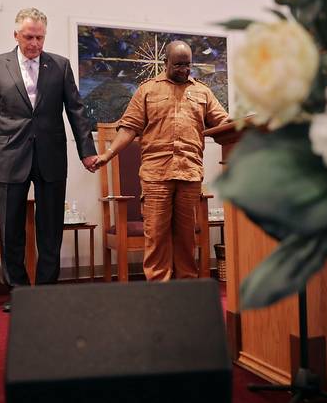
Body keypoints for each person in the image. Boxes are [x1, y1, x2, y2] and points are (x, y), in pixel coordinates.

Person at [0, 7, 97, 311]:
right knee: (10, 227)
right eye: (28, 37)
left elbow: (76, 111)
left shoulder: (60, 66)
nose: (34, 43)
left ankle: (47, 290)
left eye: (39, 37)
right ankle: (19, 290)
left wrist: (87, 152)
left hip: (51, 155)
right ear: (16, 35)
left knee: (50, 226)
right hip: (11, 155)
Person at [93, 40, 229, 281]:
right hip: (156, 177)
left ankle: (186, 293)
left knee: (187, 239)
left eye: (187, 65)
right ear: (165, 62)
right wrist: (107, 154)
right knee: (156, 238)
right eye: (178, 65)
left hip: (189, 175)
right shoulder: (147, 90)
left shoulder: (202, 92)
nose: (184, 70)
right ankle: (160, 294)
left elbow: (224, 123)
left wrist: (248, 123)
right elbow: (129, 128)